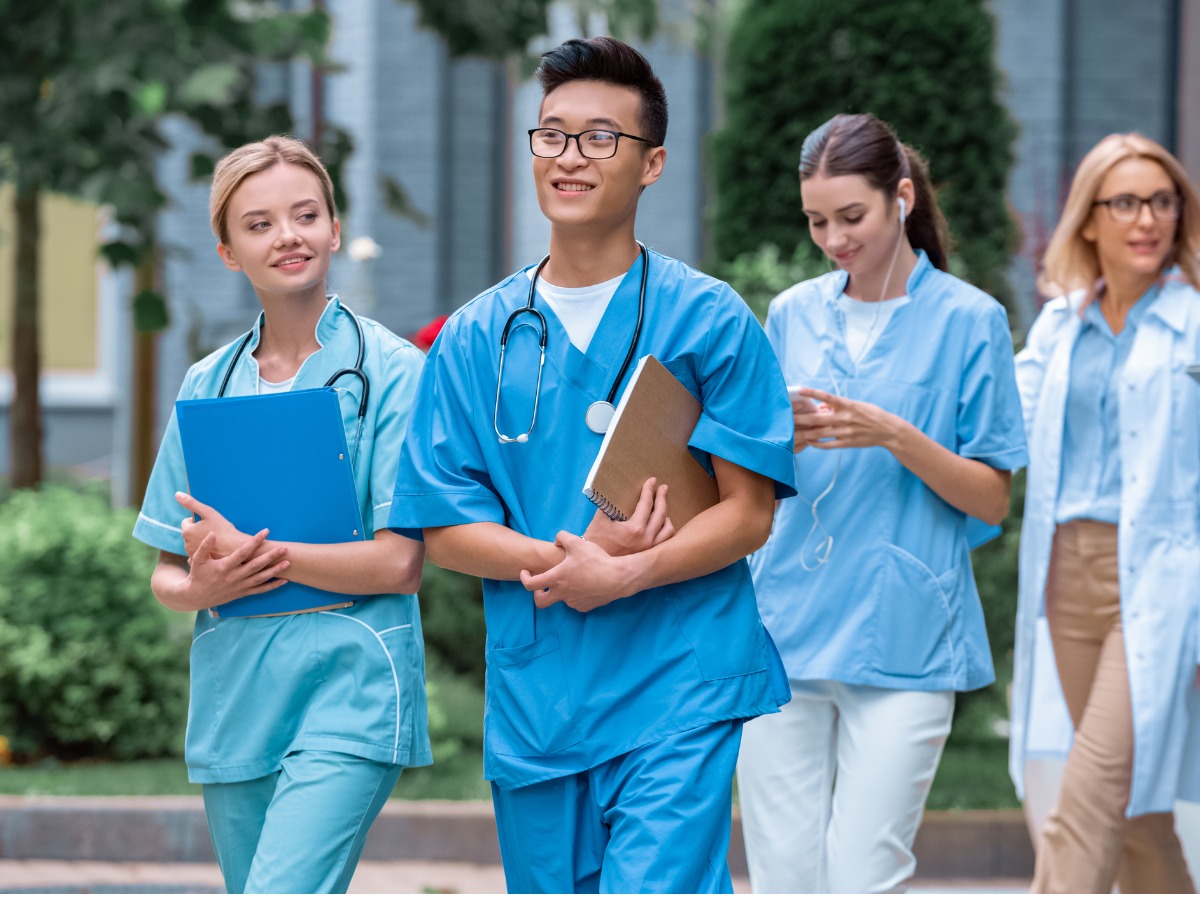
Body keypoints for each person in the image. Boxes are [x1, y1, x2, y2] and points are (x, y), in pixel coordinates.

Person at [388, 36, 797, 894]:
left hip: (678, 680)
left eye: (600, 138)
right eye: (552, 135)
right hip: (542, 699)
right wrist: (573, 561)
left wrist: (632, 571)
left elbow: (747, 513)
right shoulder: (474, 337)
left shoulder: (709, 322)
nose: (570, 158)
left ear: (651, 165)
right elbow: (446, 529)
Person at [736, 113, 1028, 893]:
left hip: (905, 635)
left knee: (867, 873)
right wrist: (774, 435)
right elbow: (752, 473)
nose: (834, 238)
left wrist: (896, 434)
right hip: (787, 626)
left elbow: (992, 497)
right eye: (817, 221)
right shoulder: (793, 312)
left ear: (901, 198)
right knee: (783, 876)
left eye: (851, 217)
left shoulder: (972, 321)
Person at [131, 136, 431, 893]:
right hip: (238, 697)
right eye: (259, 223)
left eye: (306, 214)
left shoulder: (394, 371)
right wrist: (201, 588)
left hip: (352, 682)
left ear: (334, 228)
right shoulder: (206, 384)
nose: (288, 236)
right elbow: (168, 571)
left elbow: (401, 561)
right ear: (228, 251)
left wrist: (258, 557)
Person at [1009, 131, 1200, 893]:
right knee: (1138, 813)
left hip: (1156, 581)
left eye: (1162, 201)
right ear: (1089, 219)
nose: (1147, 218)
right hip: (1068, 578)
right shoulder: (1060, 327)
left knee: (1087, 799)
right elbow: (1000, 424)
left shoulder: (1194, 324)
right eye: (1125, 202)